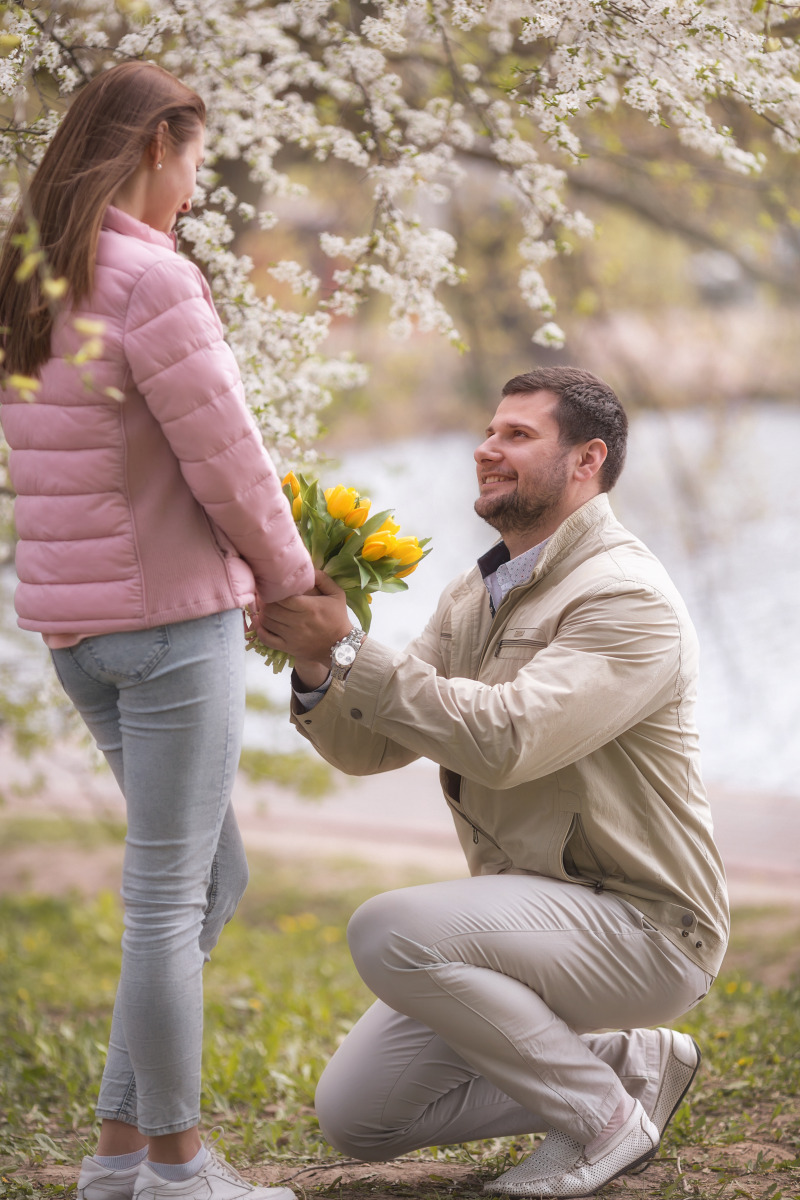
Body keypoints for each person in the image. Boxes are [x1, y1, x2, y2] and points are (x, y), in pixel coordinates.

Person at [255, 366, 729, 1199]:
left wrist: (357, 650)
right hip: (530, 920)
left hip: (647, 924)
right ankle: (630, 1061)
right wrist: (315, 659)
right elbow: (371, 749)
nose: (486, 449)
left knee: (391, 929)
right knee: (362, 1117)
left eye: (517, 435)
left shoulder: (627, 598)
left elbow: (507, 741)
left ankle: (604, 1122)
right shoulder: (475, 595)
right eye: (488, 431)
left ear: (587, 461)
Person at [0, 61, 314, 1200]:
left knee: (208, 880)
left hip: (78, 635)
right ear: (150, 149)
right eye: (191, 161)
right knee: (169, 896)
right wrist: (291, 579)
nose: (193, 187)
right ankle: (181, 1171)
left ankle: (117, 1158)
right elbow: (225, 458)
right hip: (173, 627)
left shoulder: (32, 275)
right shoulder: (152, 280)